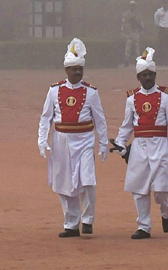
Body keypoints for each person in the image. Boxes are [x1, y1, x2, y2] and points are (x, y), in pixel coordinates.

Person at [37, 38, 109, 237]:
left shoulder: (91, 93)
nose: (77, 73)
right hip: (61, 141)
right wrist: (42, 140)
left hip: (85, 139)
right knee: (65, 183)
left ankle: (87, 220)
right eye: (73, 69)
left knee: (87, 181)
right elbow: (46, 118)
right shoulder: (54, 91)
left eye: (80, 69)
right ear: (66, 70)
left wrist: (103, 144)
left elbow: (100, 120)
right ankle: (70, 223)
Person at [112, 47, 168, 239]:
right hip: (139, 148)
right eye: (144, 75)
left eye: (150, 74)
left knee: (160, 189)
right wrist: (120, 143)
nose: (148, 78)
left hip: (160, 146)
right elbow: (126, 125)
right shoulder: (131, 98)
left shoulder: (167, 95)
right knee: (139, 189)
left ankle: (166, 211)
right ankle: (143, 226)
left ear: (155, 74)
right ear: (138, 77)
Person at [153, 1, 168, 65]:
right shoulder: (159, 11)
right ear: (162, 4)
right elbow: (156, 19)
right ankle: (160, 61)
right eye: (163, 4)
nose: (164, 5)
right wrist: (159, 25)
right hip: (162, 29)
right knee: (161, 45)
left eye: (165, 4)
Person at [120, 1, 143, 67]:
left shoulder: (138, 14)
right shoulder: (126, 14)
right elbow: (124, 22)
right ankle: (126, 60)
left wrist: (141, 30)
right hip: (129, 32)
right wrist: (123, 31)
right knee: (128, 46)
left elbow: (140, 22)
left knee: (137, 46)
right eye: (131, 5)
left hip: (136, 31)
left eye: (134, 5)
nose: (133, 6)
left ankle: (137, 60)